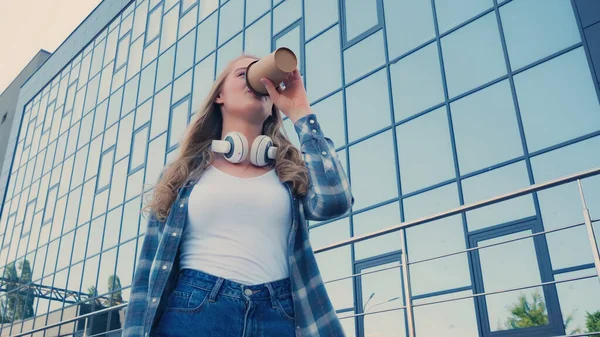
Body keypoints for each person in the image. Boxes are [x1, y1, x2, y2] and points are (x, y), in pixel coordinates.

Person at [121, 54, 353, 337]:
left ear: (272, 108)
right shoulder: (182, 174)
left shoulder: (290, 173)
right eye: (244, 75)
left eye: (265, 84)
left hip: (279, 315)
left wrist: (301, 112)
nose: (256, 84)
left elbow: (336, 201)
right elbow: (147, 274)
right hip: (196, 311)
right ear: (219, 95)